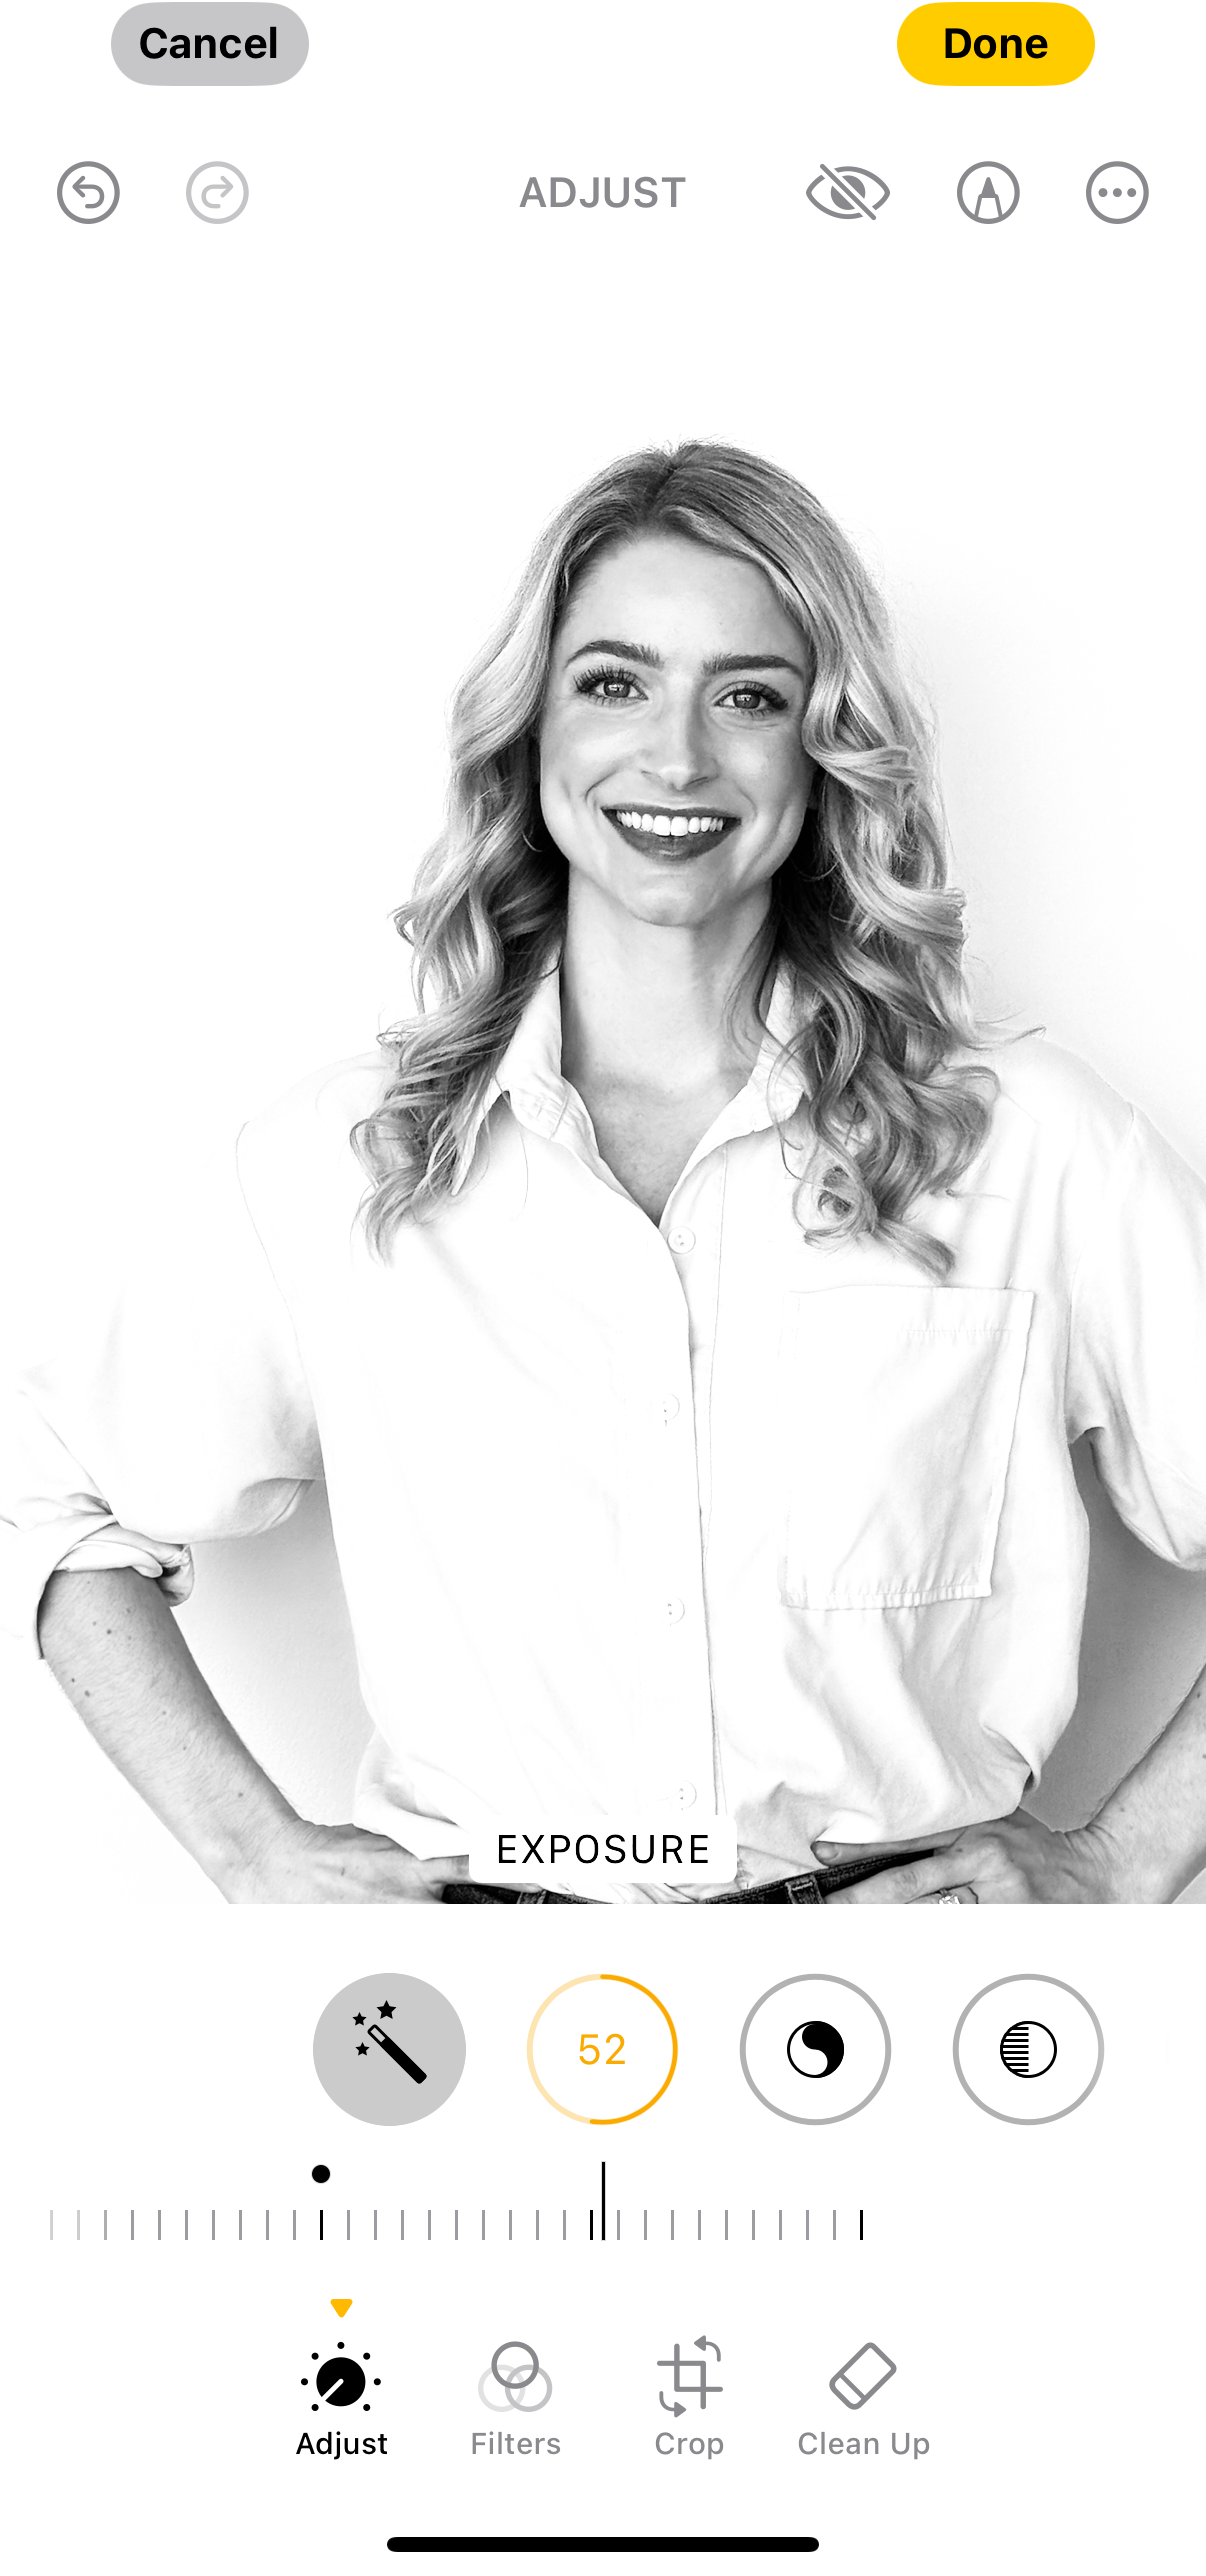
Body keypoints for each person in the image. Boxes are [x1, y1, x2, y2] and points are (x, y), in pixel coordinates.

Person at [3, 442, 1205, 1906]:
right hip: (478, 1987)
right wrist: (251, 1851)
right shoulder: (346, 1161)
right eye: (615, 683)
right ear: (531, 733)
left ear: (825, 747)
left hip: (904, 1992)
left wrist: (1124, 1859)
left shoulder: (1026, 1143)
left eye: (749, 695)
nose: (677, 758)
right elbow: (50, 1492)